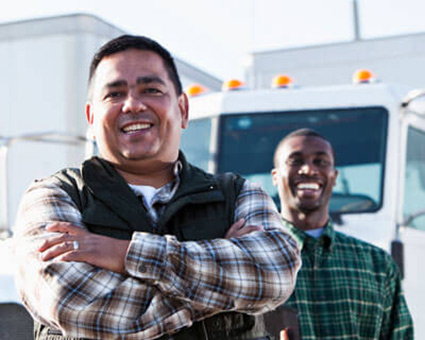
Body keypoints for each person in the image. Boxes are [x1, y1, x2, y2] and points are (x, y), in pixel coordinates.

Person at [13, 35, 301, 340]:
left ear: (183, 109)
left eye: (151, 90)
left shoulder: (240, 194)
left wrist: (126, 254)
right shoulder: (53, 196)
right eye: (114, 94)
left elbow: (275, 272)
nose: (133, 105)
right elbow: (75, 304)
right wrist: (222, 291)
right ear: (92, 119)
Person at [271, 128, 414, 339]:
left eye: (320, 161)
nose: (308, 169)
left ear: (334, 176)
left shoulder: (378, 265)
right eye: (295, 161)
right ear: (275, 176)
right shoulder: (252, 261)